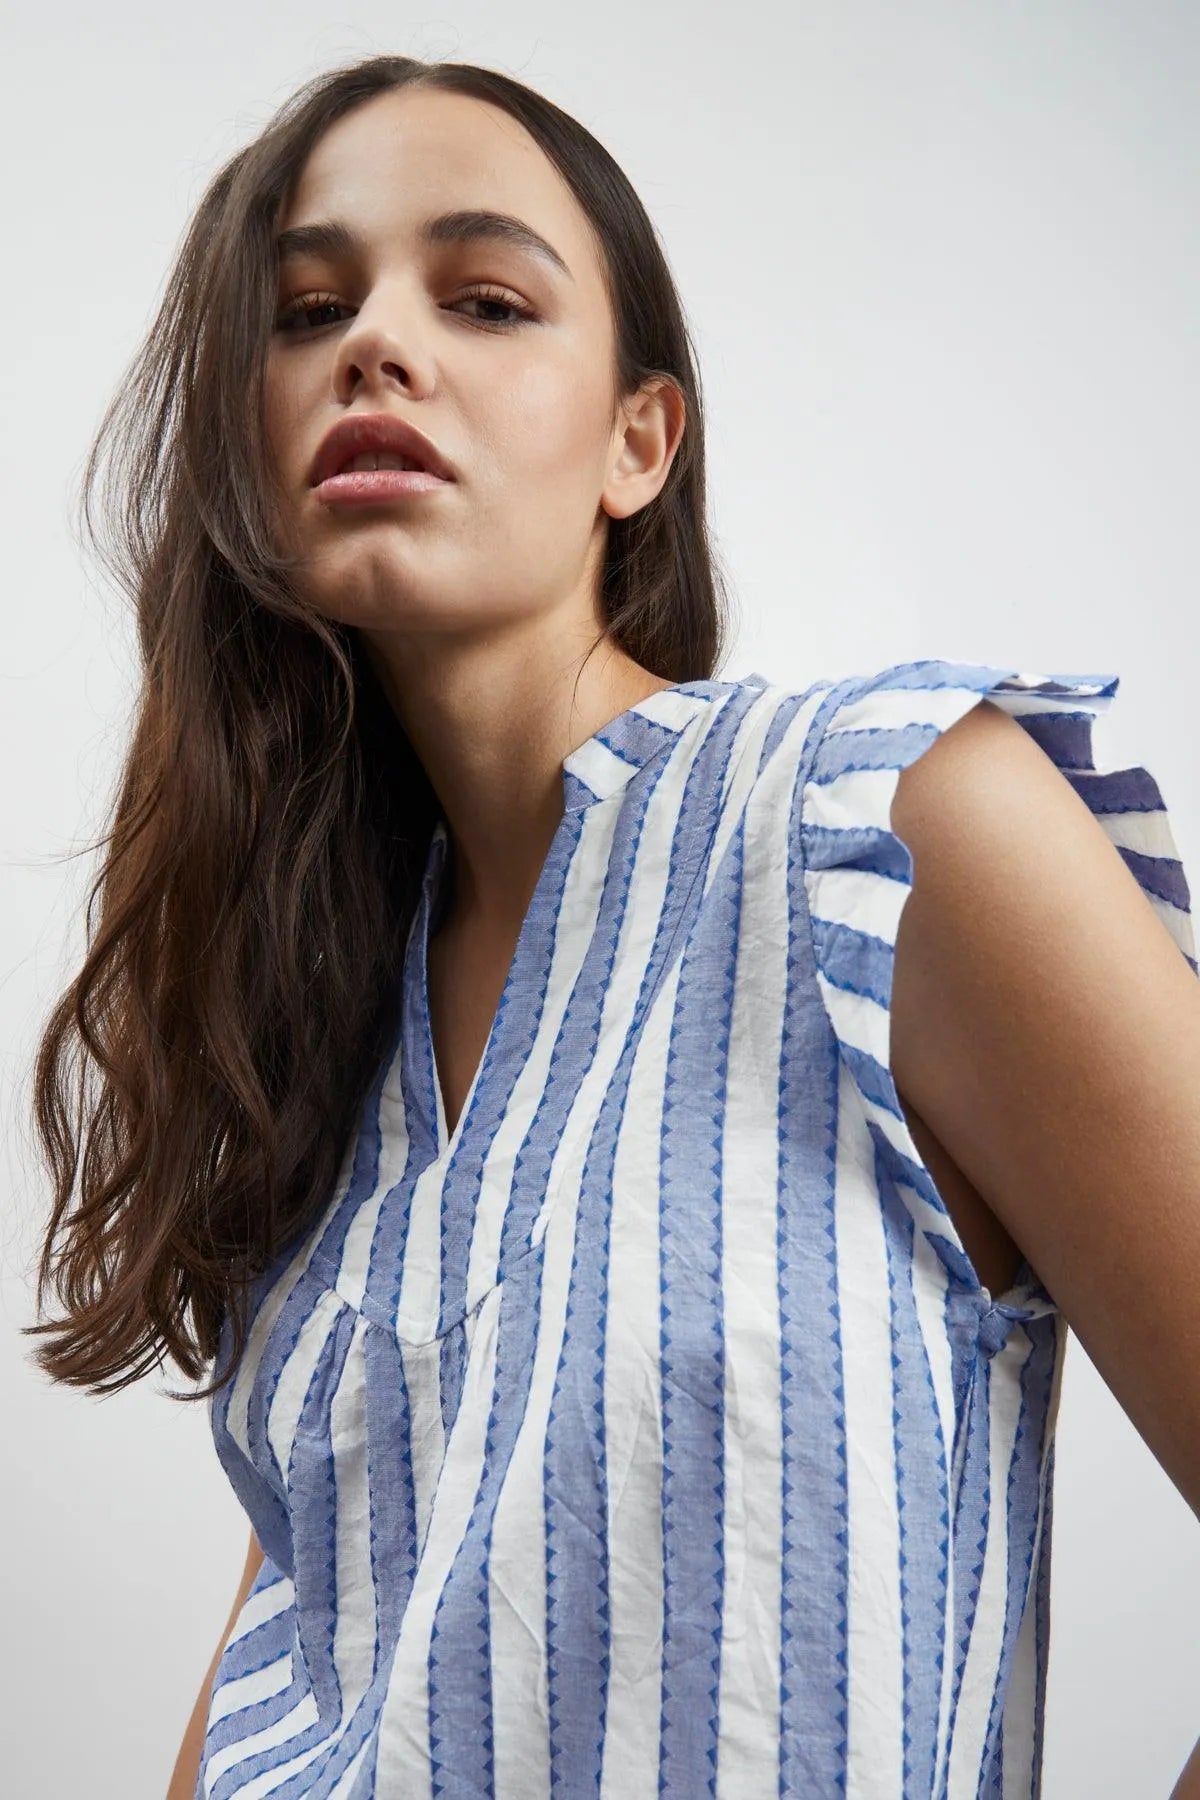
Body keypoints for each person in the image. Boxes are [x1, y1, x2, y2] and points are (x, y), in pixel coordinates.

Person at [23, 53, 1200, 1800]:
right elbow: (340, 1647)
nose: (376, 344)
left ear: (639, 441)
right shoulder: (321, 1037)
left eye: (485, 299)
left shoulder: (888, 830)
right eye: (308, 311)